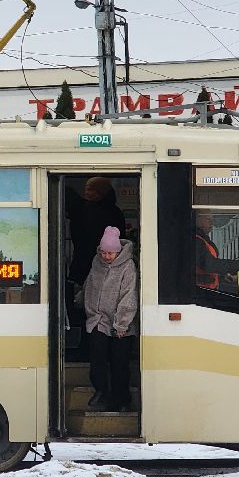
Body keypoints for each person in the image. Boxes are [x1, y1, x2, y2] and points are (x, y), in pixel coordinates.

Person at [82, 226, 137, 412]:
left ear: (118, 252)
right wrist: (82, 302)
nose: (106, 256)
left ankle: (122, 400)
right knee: (97, 358)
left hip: (122, 324)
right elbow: (90, 285)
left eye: (110, 253)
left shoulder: (128, 266)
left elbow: (129, 295)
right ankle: (101, 392)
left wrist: (122, 323)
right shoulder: (95, 263)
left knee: (119, 363)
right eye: (103, 252)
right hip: (98, 320)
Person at [65, 176, 125, 336]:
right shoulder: (113, 212)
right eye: (86, 189)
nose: (87, 192)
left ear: (101, 192)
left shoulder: (87, 210)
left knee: (90, 308)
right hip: (92, 264)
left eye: (91, 189)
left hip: (87, 264)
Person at [194, 211, 239, 293]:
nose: (212, 222)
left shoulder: (203, 239)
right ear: (197, 219)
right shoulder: (195, 240)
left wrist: (222, 277)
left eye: (212, 219)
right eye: (208, 219)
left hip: (210, 288)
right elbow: (209, 265)